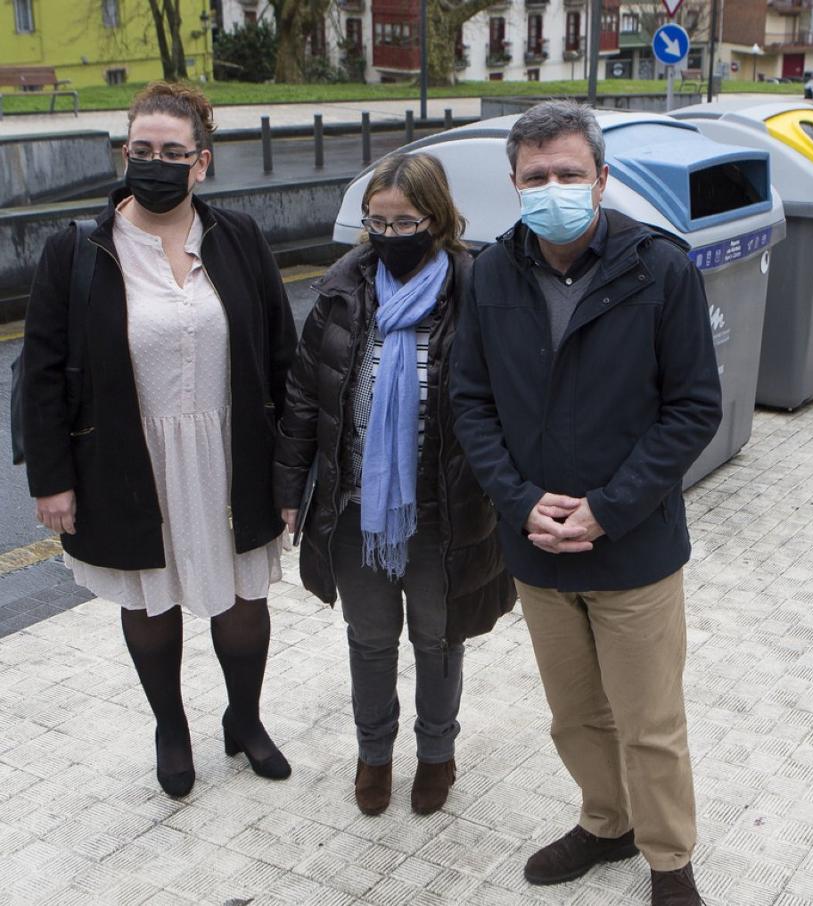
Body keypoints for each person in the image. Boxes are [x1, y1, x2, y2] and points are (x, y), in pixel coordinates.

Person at [450, 101, 722, 906]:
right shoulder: (493, 272)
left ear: (602, 180)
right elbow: (472, 402)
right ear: (515, 184)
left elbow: (693, 408)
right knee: (574, 716)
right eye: (537, 177)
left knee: (650, 725)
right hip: (535, 544)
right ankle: (607, 824)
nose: (554, 187)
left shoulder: (660, 269)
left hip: (632, 546)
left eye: (570, 173)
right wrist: (519, 499)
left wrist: (610, 507)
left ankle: (669, 860)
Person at [22, 82, 296, 798]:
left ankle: (244, 719)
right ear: (124, 152)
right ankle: (171, 728)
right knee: (149, 600)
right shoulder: (78, 251)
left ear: (200, 162)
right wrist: (52, 479)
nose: (155, 162)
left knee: (242, 598)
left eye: (172, 152)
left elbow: (281, 357)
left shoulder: (237, 238)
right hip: (125, 458)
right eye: (141, 149)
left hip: (231, 456)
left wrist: (293, 468)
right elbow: (43, 373)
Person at [273, 154, 515, 817]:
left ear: (436, 220)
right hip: (358, 509)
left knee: (439, 641)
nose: (389, 234)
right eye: (377, 221)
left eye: (405, 221)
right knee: (371, 641)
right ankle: (373, 754)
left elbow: (508, 400)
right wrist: (290, 489)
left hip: (447, 510)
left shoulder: (477, 291)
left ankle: (437, 753)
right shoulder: (342, 289)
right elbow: (304, 396)